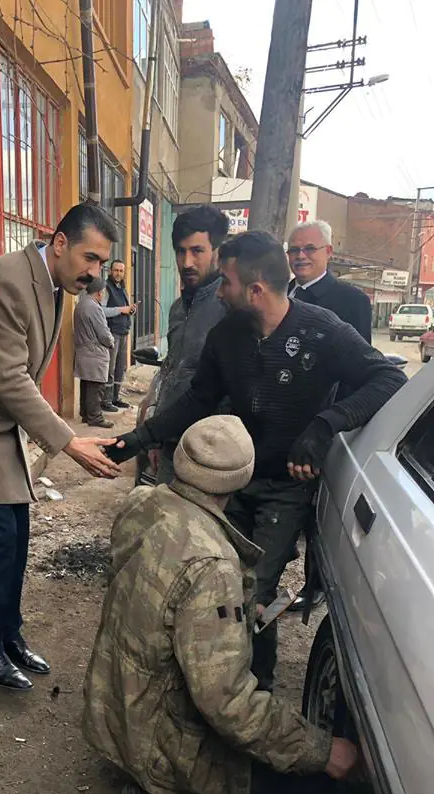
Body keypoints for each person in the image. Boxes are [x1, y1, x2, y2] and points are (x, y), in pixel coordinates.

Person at [107, 231, 406, 691]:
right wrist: (137, 438)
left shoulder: (321, 330)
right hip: (232, 484)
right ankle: (223, 686)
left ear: (255, 290)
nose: (218, 292)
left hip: (285, 489)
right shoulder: (227, 336)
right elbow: (199, 398)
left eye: (225, 282)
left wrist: (325, 425)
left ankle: (252, 690)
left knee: (252, 593)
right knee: (220, 586)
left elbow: (387, 378)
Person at [84, 416, 359, 794]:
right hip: (153, 732)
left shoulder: (144, 502)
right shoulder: (212, 563)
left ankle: (151, 775)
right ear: (241, 479)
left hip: (115, 698)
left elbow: (159, 594)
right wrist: (321, 750)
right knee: (304, 789)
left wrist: (234, 610)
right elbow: (229, 704)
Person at [0, 204, 121, 693]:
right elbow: (10, 378)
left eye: (102, 262)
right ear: (60, 242)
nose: (95, 272)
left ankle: (7, 635)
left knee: (15, 537)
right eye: (90, 258)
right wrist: (68, 441)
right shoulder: (7, 282)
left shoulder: (53, 284)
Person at [287, 220, 374, 613]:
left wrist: (338, 423)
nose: (301, 256)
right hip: (284, 415)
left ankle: (315, 585)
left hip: (325, 423)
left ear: (328, 252)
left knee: (319, 509)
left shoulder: (350, 300)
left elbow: (362, 373)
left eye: (309, 249)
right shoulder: (283, 292)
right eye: (294, 250)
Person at [151, 204, 230, 484]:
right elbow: (171, 371)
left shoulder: (229, 307)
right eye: (180, 251)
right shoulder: (177, 308)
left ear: (217, 252)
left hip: (210, 455)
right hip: (171, 445)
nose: (186, 263)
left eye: (197, 251)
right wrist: (156, 437)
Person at [74, 278, 115, 428]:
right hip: (94, 352)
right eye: (103, 292)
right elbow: (103, 333)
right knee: (96, 386)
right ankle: (95, 417)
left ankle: (86, 414)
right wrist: (111, 342)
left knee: (86, 384)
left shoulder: (81, 304)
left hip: (83, 351)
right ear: (99, 292)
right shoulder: (94, 307)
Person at [102, 259, 136, 411]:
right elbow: (101, 310)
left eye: (121, 271)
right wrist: (121, 310)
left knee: (120, 368)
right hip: (112, 332)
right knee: (110, 368)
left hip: (123, 332)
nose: (118, 273)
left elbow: (125, 309)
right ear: (110, 271)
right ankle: (106, 401)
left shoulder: (122, 289)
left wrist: (131, 310)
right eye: (116, 270)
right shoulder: (106, 288)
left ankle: (115, 398)